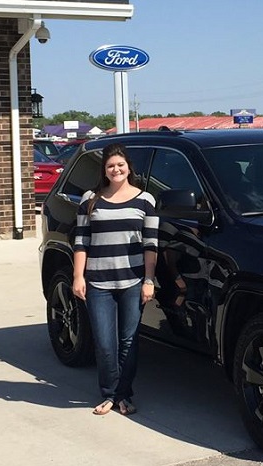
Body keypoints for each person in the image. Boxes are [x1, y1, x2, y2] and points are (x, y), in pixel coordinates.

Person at [72, 143, 158, 416]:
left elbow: (151, 245)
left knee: (129, 342)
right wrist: (78, 277)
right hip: (98, 283)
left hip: (132, 282)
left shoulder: (146, 200)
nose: (116, 169)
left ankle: (123, 395)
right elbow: (81, 242)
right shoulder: (90, 199)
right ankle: (108, 395)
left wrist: (149, 280)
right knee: (105, 344)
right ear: (104, 170)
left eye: (120, 165)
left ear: (129, 167)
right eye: (111, 166)